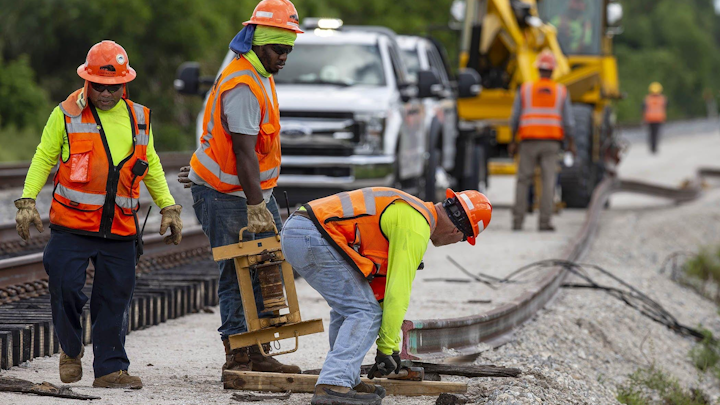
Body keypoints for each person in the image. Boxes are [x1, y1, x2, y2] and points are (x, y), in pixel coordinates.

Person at [14, 40, 182, 389]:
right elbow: (44, 157)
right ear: (88, 82)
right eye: (99, 87)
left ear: (125, 84)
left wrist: (168, 206)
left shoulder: (139, 118)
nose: (106, 94)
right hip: (72, 225)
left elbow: (149, 166)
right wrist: (28, 201)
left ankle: (110, 370)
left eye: (113, 87)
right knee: (65, 287)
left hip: (120, 227)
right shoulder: (65, 114)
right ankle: (71, 348)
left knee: (113, 300)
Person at [178, 0, 303, 377]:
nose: (284, 57)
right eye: (278, 49)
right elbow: (244, 152)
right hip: (229, 195)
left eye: (289, 50)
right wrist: (255, 205)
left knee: (262, 267)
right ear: (260, 43)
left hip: (240, 192)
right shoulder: (245, 83)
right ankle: (238, 357)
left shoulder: (258, 73)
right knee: (238, 271)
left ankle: (257, 351)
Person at [281, 187, 492, 405]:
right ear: (457, 232)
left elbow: (380, 290)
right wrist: (385, 348)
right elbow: (397, 292)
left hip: (302, 231)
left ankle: (346, 378)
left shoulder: (413, 211)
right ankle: (334, 384)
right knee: (363, 312)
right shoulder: (416, 226)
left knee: (352, 309)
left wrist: (390, 351)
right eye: (463, 240)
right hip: (311, 236)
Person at [509, 50, 575, 232]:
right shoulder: (561, 91)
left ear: (538, 69)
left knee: (523, 180)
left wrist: (512, 141)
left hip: (528, 141)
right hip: (551, 143)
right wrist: (572, 144)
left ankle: (517, 221)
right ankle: (544, 222)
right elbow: (569, 122)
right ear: (553, 71)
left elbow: (514, 118)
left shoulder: (525, 89)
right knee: (548, 182)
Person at [643, 82, 667, 154]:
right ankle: (654, 147)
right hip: (658, 119)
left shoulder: (647, 98)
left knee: (651, 134)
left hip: (650, 119)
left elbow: (643, 108)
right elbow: (666, 106)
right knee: (656, 134)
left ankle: (652, 147)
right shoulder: (662, 98)